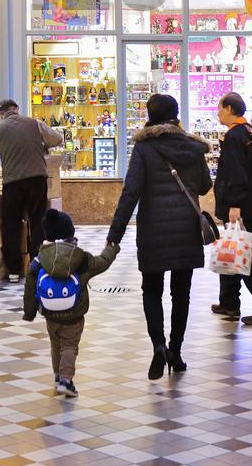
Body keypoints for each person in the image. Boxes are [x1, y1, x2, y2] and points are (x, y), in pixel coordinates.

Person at [107, 93, 212, 379]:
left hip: (153, 231)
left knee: (152, 290)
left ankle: (158, 346)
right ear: (176, 115)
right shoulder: (193, 147)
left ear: (150, 117)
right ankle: (176, 353)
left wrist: (114, 234)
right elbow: (204, 186)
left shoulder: (143, 148)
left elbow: (131, 193)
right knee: (182, 294)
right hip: (186, 231)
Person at [23, 208, 118, 397]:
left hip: (50, 314)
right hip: (74, 315)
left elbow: (29, 285)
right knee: (69, 346)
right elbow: (102, 262)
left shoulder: (40, 259)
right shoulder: (80, 259)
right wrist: (111, 248)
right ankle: (66, 381)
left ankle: (58, 376)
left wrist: (30, 312)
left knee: (56, 345)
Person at [0, 99, 63, 282]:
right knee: (38, 223)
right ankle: (38, 266)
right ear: (17, 110)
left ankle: (14, 271)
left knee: (12, 226)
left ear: (1, 115)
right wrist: (43, 145)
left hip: (12, 183)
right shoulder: (35, 123)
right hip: (37, 180)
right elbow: (57, 138)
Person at [212, 91, 252, 326]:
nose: (218, 113)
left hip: (241, 206)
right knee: (231, 247)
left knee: (247, 255)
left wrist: (234, 204)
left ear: (229, 108)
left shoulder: (236, 136)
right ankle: (229, 302)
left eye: (220, 108)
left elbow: (237, 173)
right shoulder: (248, 132)